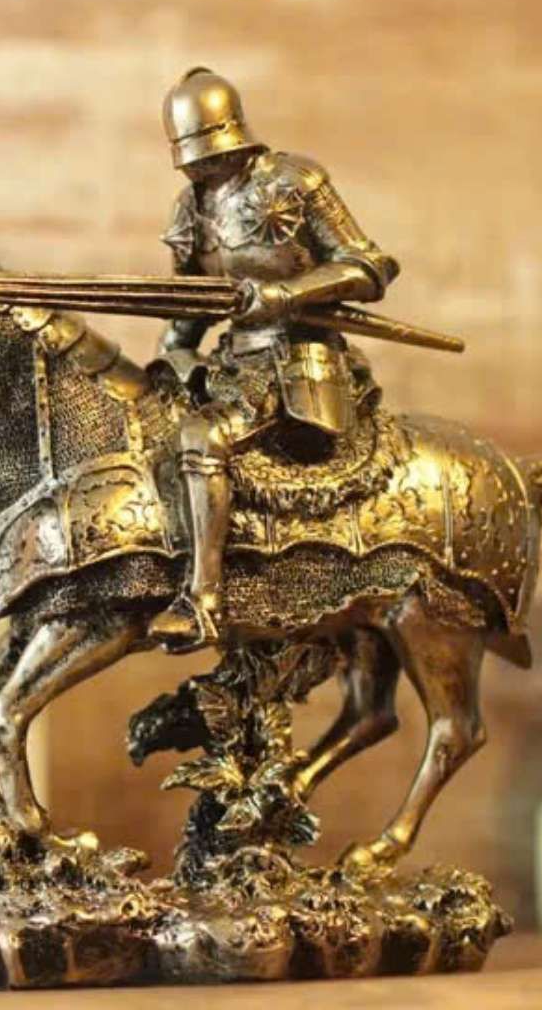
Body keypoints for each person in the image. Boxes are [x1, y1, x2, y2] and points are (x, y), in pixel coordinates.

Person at [149, 67, 400, 650]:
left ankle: (203, 602)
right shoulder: (189, 208)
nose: (201, 169)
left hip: (298, 362)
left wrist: (288, 294)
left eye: (209, 154)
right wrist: (174, 355)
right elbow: (190, 307)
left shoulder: (294, 181)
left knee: (201, 439)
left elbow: (369, 267)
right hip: (232, 366)